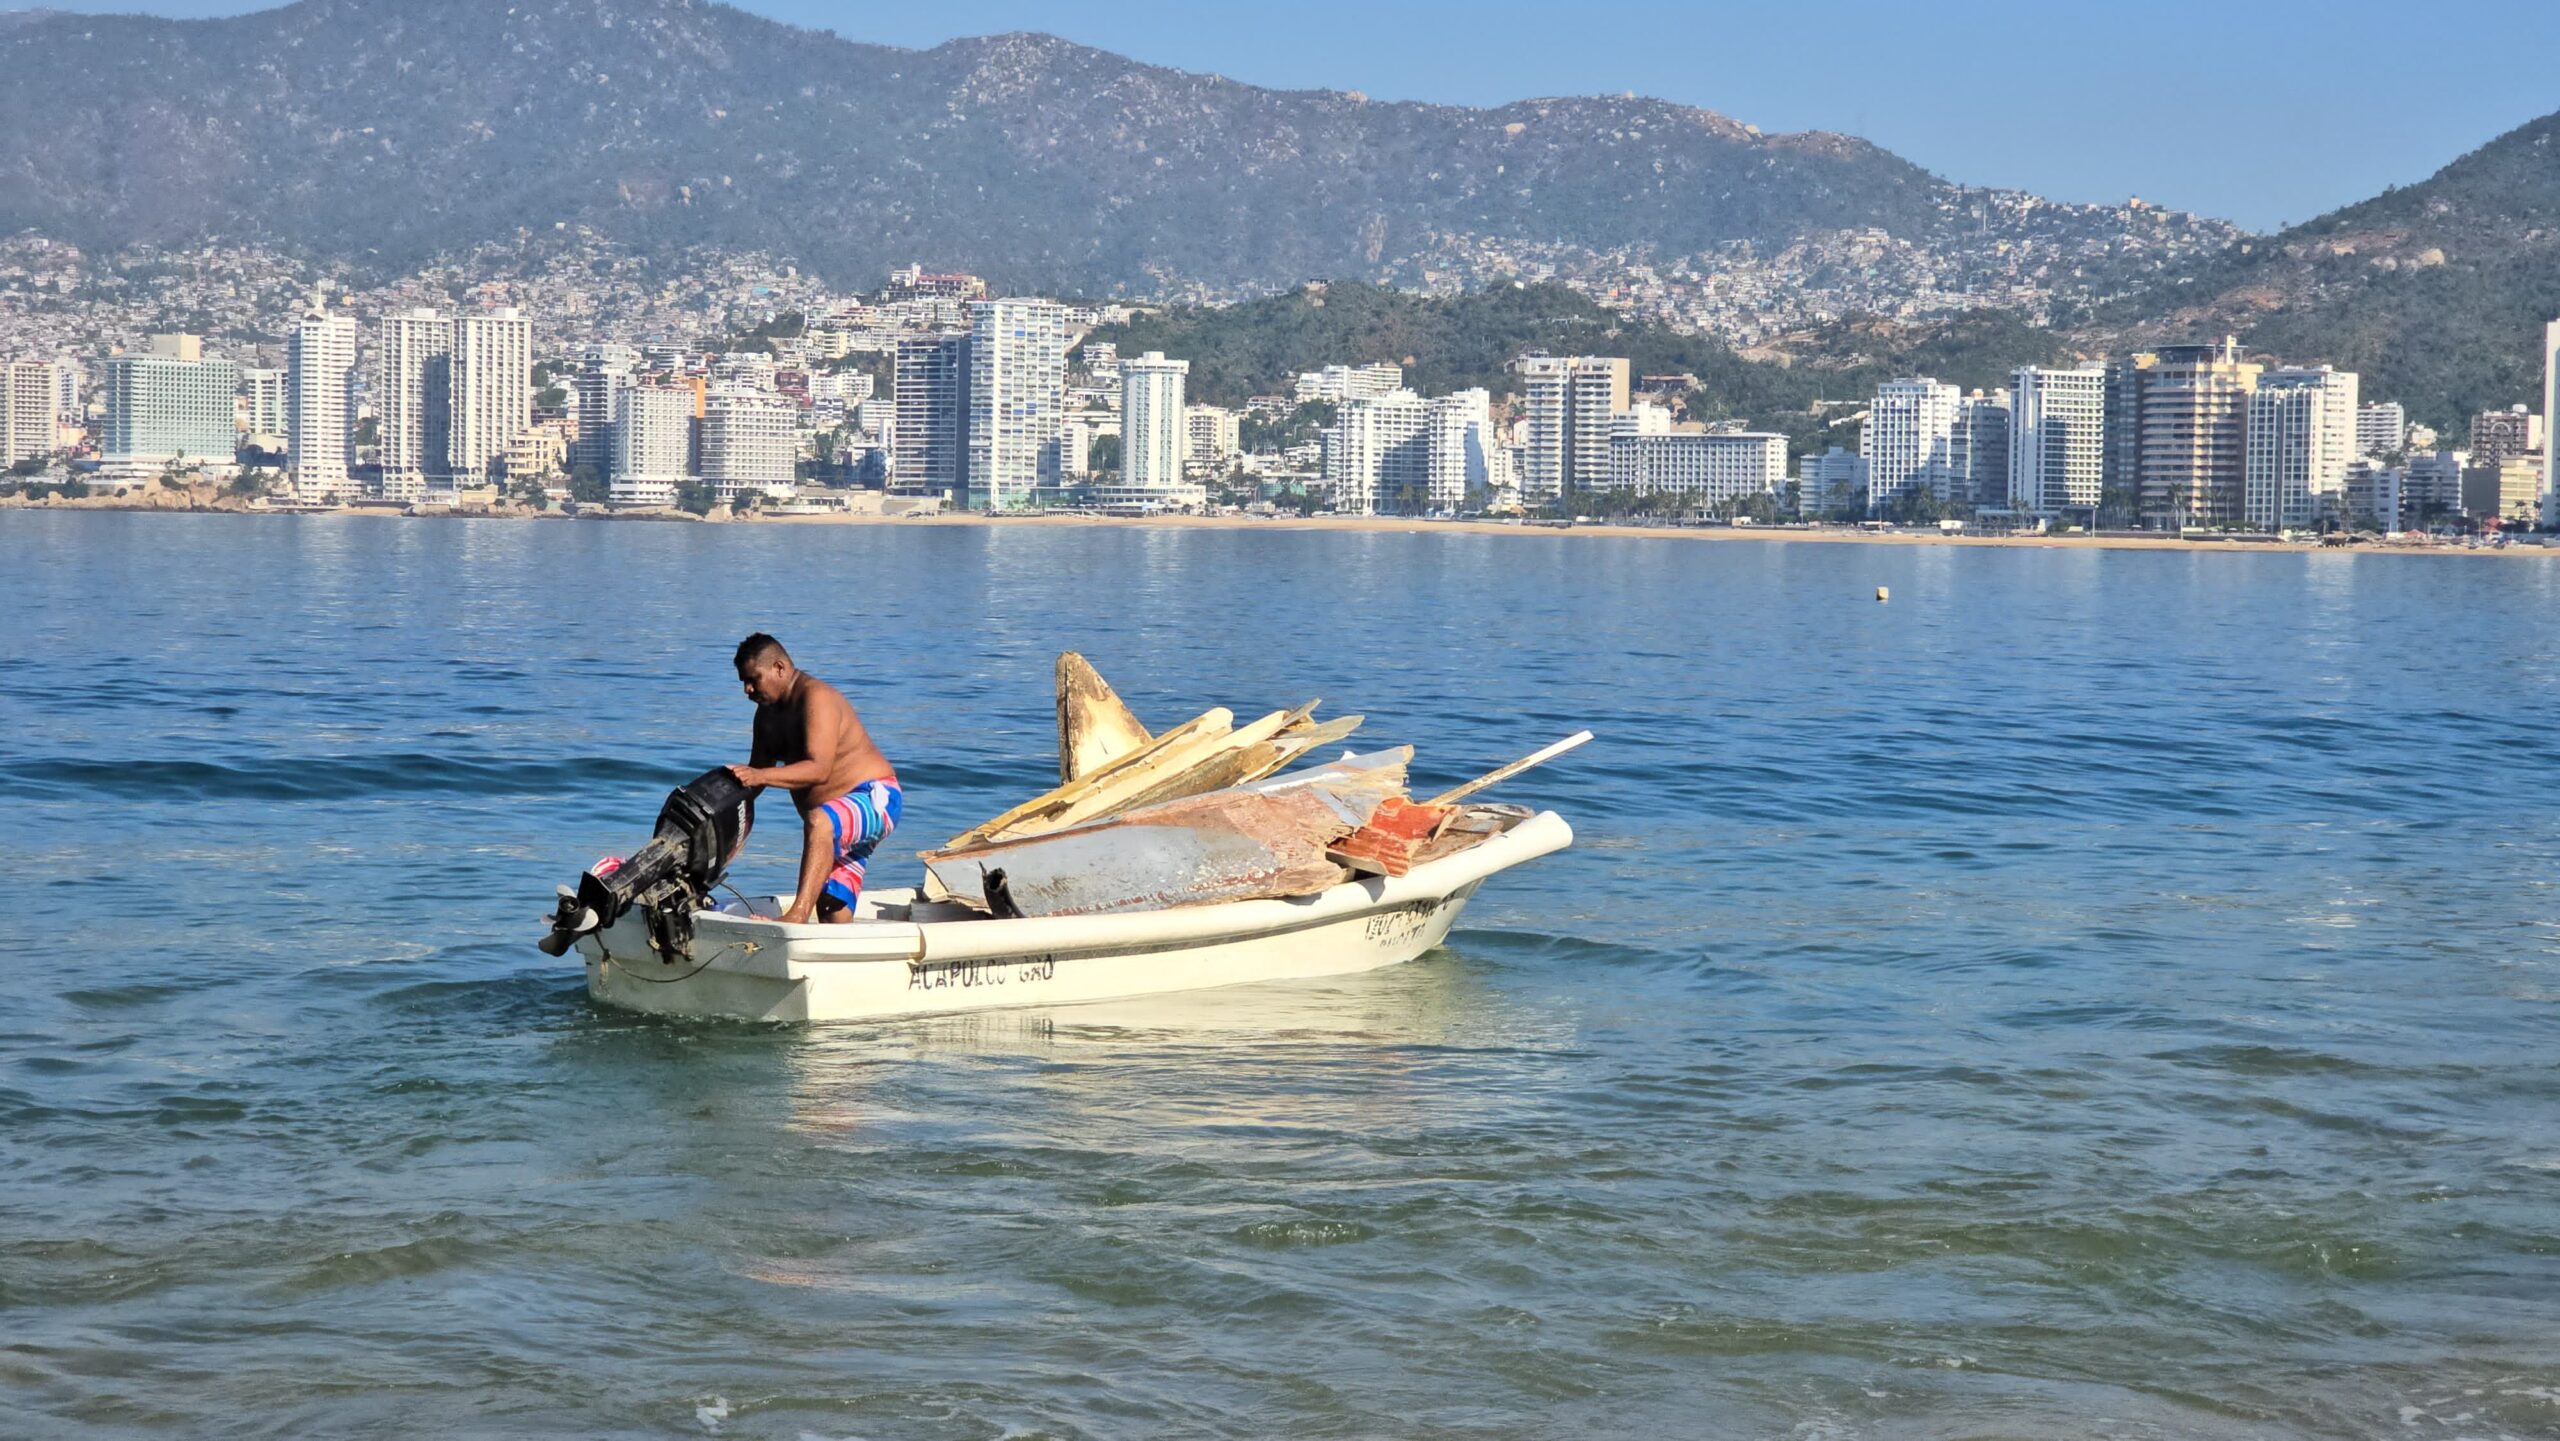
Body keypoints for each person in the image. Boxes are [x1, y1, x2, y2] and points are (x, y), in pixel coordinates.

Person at [724, 633, 901, 925]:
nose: (748, 689)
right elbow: (756, 776)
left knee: (819, 820)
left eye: (754, 679)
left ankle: (796, 915)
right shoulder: (765, 717)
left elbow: (818, 769)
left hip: (877, 799)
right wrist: (721, 807)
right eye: (743, 681)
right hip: (835, 825)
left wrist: (759, 775)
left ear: (779, 668)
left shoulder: (816, 697)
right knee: (832, 912)